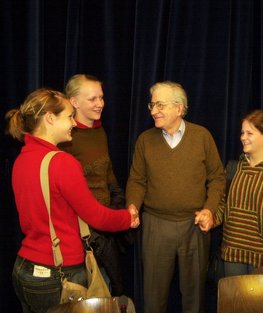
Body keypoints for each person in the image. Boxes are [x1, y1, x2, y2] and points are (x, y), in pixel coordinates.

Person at [5, 88, 139, 313]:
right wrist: (128, 218)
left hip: (24, 269)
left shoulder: (22, 159)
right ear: (50, 118)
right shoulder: (62, 162)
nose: (74, 123)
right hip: (58, 274)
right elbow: (96, 216)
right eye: (68, 116)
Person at [125, 81, 226, 313]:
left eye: (160, 105)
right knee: (153, 296)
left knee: (195, 296)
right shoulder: (145, 140)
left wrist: (210, 209)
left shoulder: (202, 136)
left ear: (179, 108)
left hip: (195, 225)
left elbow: (217, 178)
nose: (153, 111)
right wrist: (132, 206)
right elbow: (137, 180)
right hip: (155, 225)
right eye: (152, 105)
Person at [59, 74, 130, 296]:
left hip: (105, 226)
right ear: (74, 101)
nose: (100, 104)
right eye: (92, 99)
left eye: (101, 98)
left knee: (111, 290)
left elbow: (108, 174)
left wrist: (118, 205)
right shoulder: (66, 138)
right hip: (82, 233)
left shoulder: (100, 131)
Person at [214, 109, 263, 277]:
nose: (243, 137)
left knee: (257, 304)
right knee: (234, 303)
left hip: (262, 260)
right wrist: (211, 219)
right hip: (232, 253)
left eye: (249, 133)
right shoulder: (235, 168)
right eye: (242, 133)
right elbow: (223, 205)